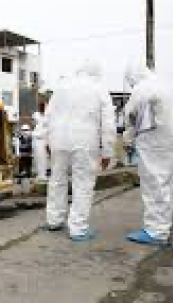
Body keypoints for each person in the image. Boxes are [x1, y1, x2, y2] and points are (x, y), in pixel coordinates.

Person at [44, 62, 116, 241]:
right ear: (97, 73)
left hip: (58, 140)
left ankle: (54, 219)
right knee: (82, 183)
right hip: (84, 141)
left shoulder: (62, 86)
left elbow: (49, 114)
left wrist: (47, 139)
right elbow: (108, 123)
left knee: (57, 180)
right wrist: (107, 151)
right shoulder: (99, 89)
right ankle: (77, 228)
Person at [124, 66, 173, 246]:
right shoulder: (166, 85)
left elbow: (131, 115)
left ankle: (155, 232)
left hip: (154, 143)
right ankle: (163, 227)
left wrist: (128, 138)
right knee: (168, 185)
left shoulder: (141, 89)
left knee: (154, 185)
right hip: (172, 141)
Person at [32, 105, 48, 181]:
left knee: (43, 158)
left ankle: (42, 174)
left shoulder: (46, 117)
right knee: (38, 158)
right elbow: (33, 124)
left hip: (43, 140)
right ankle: (40, 174)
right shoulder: (37, 115)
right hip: (37, 140)